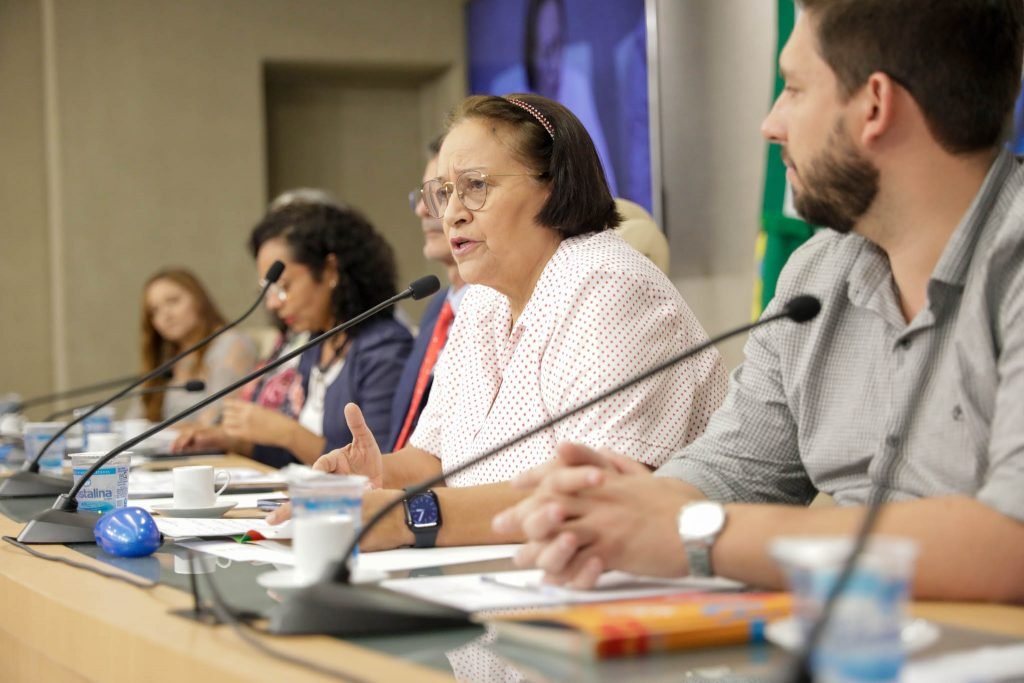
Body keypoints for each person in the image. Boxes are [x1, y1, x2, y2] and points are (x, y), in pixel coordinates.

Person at [495, 0, 1024, 603]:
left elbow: (1011, 543)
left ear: (875, 106)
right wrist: (627, 507)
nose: (771, 123)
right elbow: (735, 469)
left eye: (794, 89)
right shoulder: (814, 277)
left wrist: (696, 530)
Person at [268, 93, 729, 552]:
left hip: (622, 589)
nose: (451, 213)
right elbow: (435, 459)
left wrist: (405, 516)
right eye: (444, 193)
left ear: (553, 186)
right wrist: (377, 477)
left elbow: (592, 497)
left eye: (476, 186)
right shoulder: (482, 303)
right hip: (503, 574)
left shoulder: (609, 287)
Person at [174, 203, 412, 467]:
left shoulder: (385, 348)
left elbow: (382, 465)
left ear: (331, 271)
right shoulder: (316, 342)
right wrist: (234, 442)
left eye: (283, 286)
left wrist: (287, 433)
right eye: (268, 290)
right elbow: (300, 459)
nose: (273, 303)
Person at [385, 136, 468, 453]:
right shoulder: (437, 307)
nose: (422, 209)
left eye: (440, 193)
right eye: (424, 195)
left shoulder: (500, 307)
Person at [138, 268, 256, 425]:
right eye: (154, 311)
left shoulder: (230, 343)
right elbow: (136, 420)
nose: (165, 315)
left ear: (198, 299)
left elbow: (217, 418)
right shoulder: (166, 359)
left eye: (173, 301)